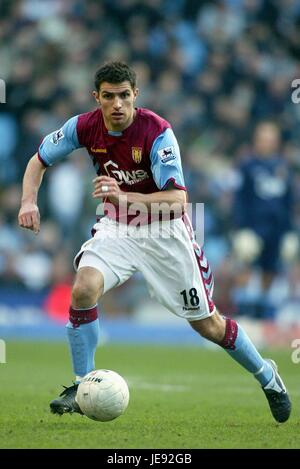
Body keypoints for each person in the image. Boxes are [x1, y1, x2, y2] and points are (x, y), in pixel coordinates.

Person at [18, 61, 291, 423]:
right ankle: (82, 384)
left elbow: (177, 201)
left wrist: (123, 197)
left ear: (136, 96)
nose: (117, 104)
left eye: (125, 96)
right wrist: (28, 201)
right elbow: (38, 160)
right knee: (83, 288)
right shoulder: (83, 126)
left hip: (166, 233)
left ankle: (267, 376)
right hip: (119, 228)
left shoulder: (157, 132)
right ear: (96, 97)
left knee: (208, 325)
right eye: (109, 96)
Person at [233, 122, 294, 318]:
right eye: (263, 139)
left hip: (276, 229)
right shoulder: (247, 165)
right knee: (245, 264)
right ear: (256, 141)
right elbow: (240, 199)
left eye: (271, 139)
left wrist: (290, 231)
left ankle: (261, 312)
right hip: (253, 226)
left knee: (270, 270)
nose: (267, 143)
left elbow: (289, 202)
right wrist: (240, 228)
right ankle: (241, 311)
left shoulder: (284, 167)